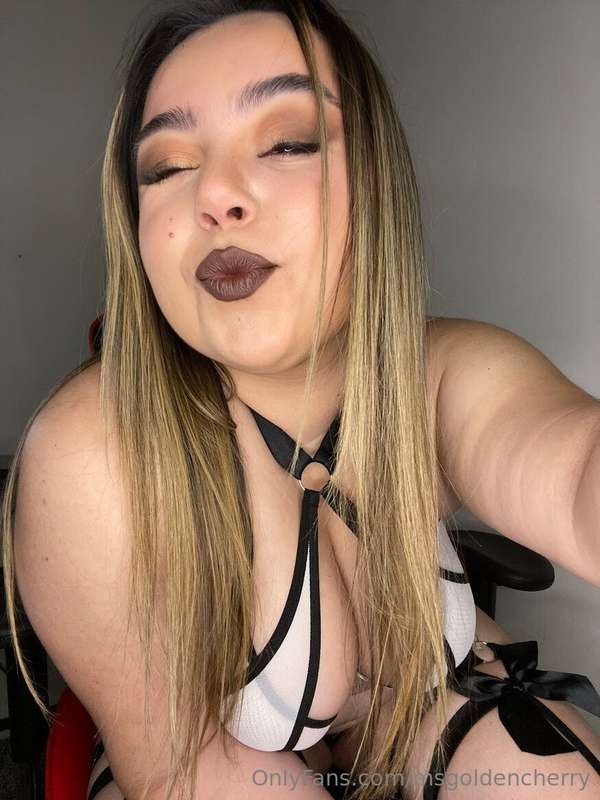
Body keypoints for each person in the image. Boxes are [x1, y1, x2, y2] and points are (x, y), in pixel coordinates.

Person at [3, 2, 600, 799]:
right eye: (168, 167)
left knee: (548, 775)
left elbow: (573, 469)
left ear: (377, 180)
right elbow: (189, 771)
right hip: (202, 764)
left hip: (419, 716)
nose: (216, 194)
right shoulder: (90, 454)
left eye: (287, 142)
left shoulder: (438, 374)